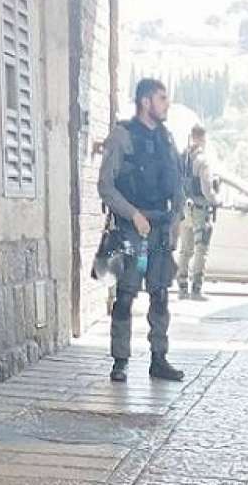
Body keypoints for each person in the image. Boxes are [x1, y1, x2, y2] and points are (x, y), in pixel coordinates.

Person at [98, 78, 185, 383]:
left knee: (159, 295)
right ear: (145, 102)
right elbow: (106, 186)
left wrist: (176, 221)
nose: (166, 104)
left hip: (160, 228)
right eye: (161, 98)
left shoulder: (166, 139)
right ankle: (120, 360)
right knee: (125, 296)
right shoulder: (122, 136)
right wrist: (133, 215)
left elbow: (177, 184)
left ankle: (159, 358)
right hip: (131, 229)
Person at [177, 124, 218, 301]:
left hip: (184, 208)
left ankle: (182, 288)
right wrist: (216, 200)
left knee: (185, 250)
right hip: (200, 209)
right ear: (202, 138)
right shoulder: (203, 160)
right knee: (201, 249)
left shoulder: (182, 158)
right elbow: (207, 189)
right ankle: (196, 288)